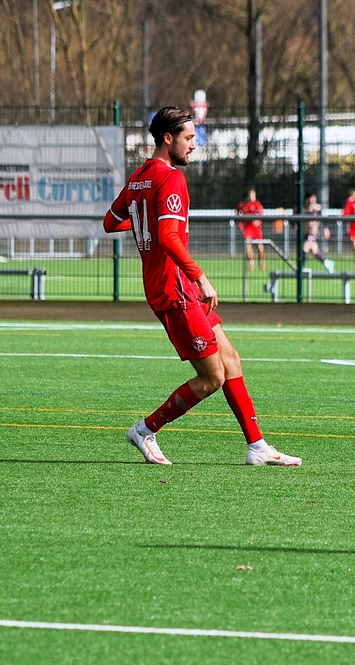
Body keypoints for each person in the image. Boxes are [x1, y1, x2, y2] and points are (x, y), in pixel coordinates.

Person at [103, 106, 300, 467]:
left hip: (173, 286)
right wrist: (199, 276)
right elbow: (168, 236)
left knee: (230, 358)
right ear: (168, 139)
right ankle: (145, 429)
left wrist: (145, 222)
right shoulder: (171, 178)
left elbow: (111, 221)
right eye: (189, 138)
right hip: (175, 289)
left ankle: (257, 446)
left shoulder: (138, 178)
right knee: (212, 377)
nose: (194, 145)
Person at [302, 192, 334, 273]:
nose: (312, 200)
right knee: (314, 251)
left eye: (314, 198)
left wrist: (325, 229)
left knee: (305, 247)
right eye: (311, 198)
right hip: (305, 233)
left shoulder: (317, 209)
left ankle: (301, 268)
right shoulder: (303, 209)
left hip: (312, 233)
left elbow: (324, 219)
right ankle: (327, 263)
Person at [236, 188, 265, 271]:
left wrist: (258, 221)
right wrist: (241, 227)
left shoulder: (257, 204)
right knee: (248, 244)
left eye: (253, 195)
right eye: (251, 195)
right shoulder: (243, 205)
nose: (252, 196)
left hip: (256, 228)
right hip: (248, 228)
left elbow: (261, 213)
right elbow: (238, 216)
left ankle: (261, 260)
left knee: (259, 244)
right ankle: (251, 262)